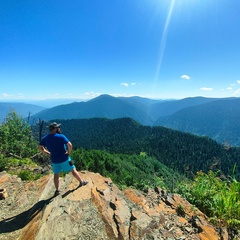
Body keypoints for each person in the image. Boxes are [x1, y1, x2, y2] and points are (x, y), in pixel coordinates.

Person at [38, 122, 88, 196]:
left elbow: (40, 147)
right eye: (57, 127)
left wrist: (47, 152)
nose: (59, 128)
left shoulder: (45, 138)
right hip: (65, 158)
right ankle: (81, 182)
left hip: (54, 160)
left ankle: (57, 190)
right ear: (55, 129)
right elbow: (69, 144)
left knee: (56, 174)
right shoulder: (61, 136)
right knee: (73, 169)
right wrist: (69, 152)